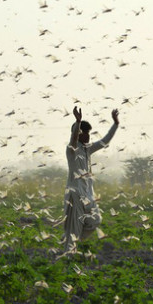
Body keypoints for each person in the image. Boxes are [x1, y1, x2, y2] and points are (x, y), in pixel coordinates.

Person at [61, 106, 119, 255]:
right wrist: (78, 123)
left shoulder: (88, 149)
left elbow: (104, 141)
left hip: (88, 196)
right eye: (84, 133)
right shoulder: (71, 149)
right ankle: (68, 256)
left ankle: (70, 241)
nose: (87, 136)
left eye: (88, 133)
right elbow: (73, 139)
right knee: (73, 228)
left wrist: (115, 124)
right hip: (75, 196)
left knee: (95, 220)